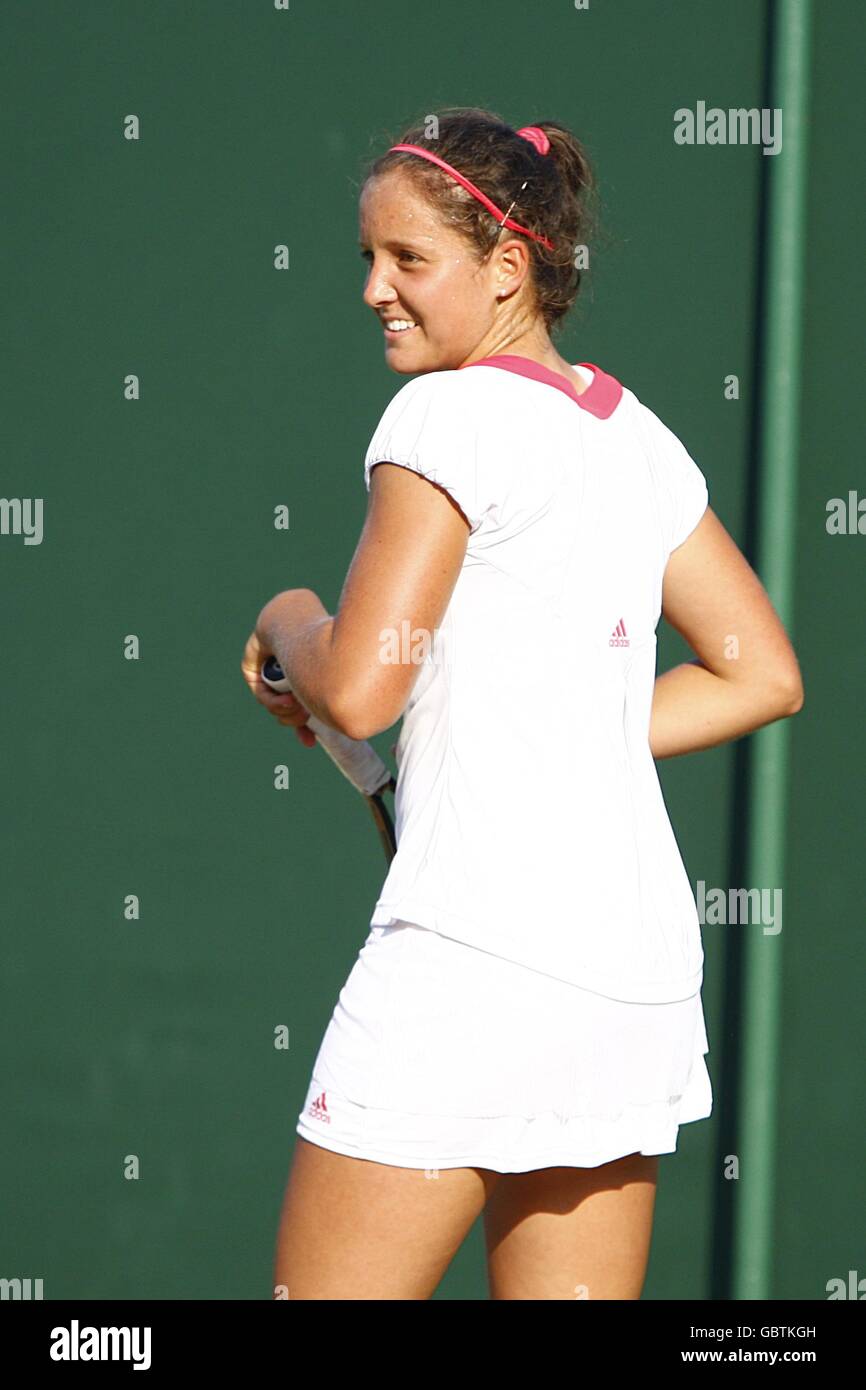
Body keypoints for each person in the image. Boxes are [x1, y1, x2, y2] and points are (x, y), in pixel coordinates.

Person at [240, 107, 804, 1300]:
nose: (374, 291)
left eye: (408, 261)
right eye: (366, 260)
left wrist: (287, 618)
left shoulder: (444, 414)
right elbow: (759, 672)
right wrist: (565, 728)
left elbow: (358, 686)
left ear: (508, 267)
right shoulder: (636, 437)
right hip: (628, 986)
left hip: (467, 972)